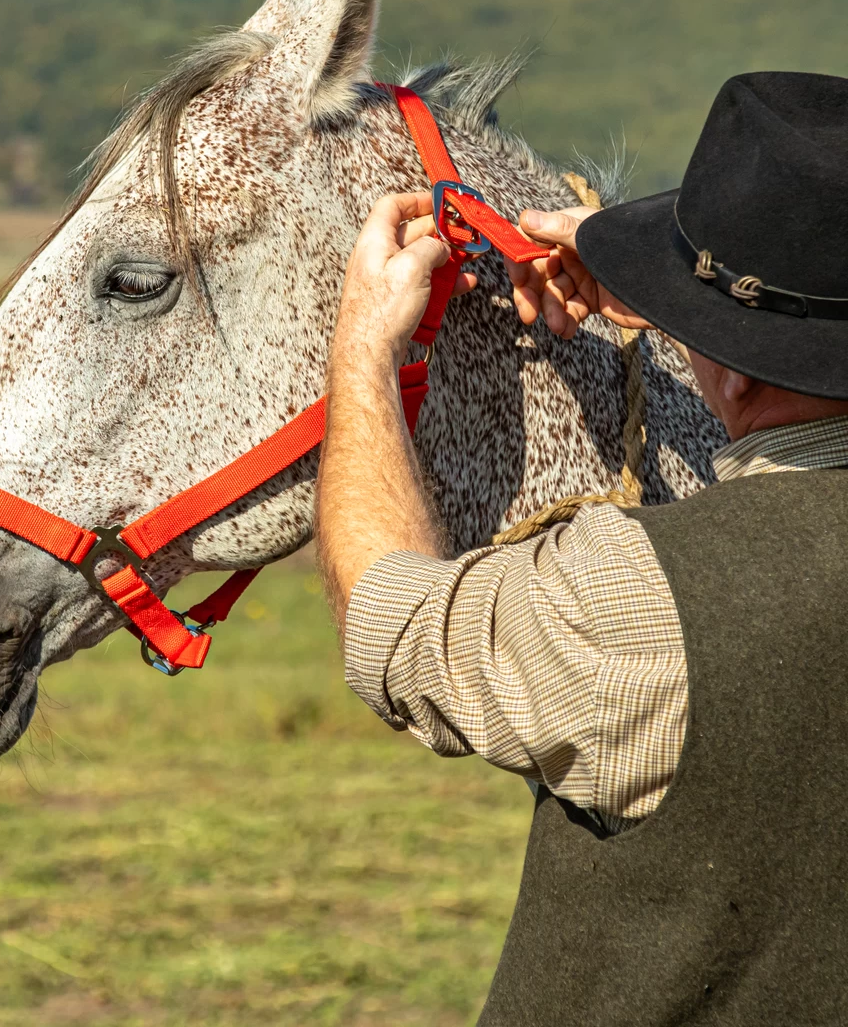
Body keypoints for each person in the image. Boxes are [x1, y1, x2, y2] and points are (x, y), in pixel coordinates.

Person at [316, 72, 848, 1023]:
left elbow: (388, 622)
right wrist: (701, 319)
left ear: (725, 360)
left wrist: (360, 356)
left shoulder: (634, 603)